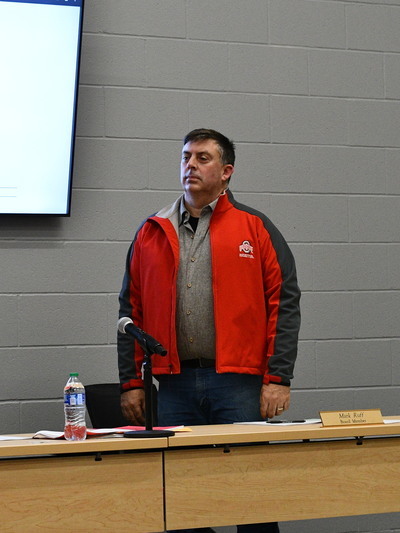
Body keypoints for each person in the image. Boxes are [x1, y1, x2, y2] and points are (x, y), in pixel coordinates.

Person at [117, 128, 301, 533]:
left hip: (237, 383)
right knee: (182, 501)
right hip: (175, 385)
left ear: (227, 171)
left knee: (249, 498)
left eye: (203, 158)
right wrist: (132, 382)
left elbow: (284, 302)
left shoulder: (255, 228)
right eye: (186, 157)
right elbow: (130, 311)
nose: (191, 166)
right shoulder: (151, 231)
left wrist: (278, 378)